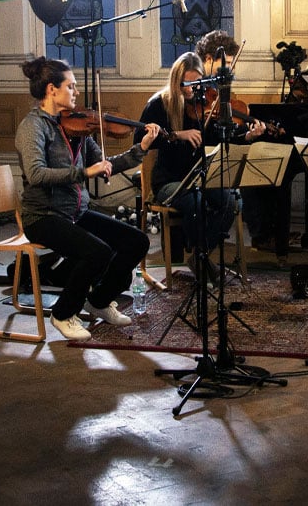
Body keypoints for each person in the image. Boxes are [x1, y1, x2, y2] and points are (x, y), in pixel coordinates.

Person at [15, 57, 163, 342]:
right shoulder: (33, 127)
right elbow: (36, 174)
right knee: (97, 252)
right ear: (51, 90)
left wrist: (141, 148)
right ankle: (62, 314)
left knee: (137, 241)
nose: (76, 92)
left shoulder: (76, 127)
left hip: (75, 212)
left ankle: (98, 301)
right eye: (71, 86)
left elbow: (106, 164)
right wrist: (83, 172)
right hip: (44, 216)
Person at [135, 51, 264, 283]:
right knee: (196, 203)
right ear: (177, 80)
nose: (192, 89)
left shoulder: (201, 106)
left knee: (231, 201)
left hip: (199, 177)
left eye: (197, 83)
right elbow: (140, 140)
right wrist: (177, 135)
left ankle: (199, 255)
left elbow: (219, 136)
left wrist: (247, 136)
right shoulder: (159, 104)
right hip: (169, 181)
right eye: (187, 83)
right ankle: (201, 258)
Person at [194, 30, 292, 265]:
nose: (229, 70)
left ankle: (263, 232)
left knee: (257, 162)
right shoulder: (193, 87)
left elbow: (227, 135)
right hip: (198, 157)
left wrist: (248, 135)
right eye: (224, 63)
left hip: (218, 150)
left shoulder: (218, 91)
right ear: (208, 59)